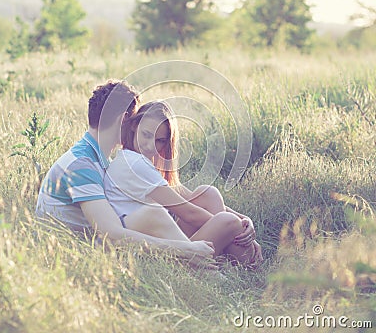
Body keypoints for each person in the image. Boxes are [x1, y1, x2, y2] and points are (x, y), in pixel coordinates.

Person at [36, 79, 216, 267]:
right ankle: (204, 267)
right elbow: (111, 235)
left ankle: (217, 251)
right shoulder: (82, 165)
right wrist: (185, 250)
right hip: (68, 254)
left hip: (80, 244)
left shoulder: (96, 159)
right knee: (153, 214)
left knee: (178, 205)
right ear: (123, 119)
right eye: (133, 120)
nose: (134, 127)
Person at [107, 100, 263, 267]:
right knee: (227, 221)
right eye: (146, 134)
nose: (150, 145)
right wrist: (236, 229)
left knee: (208, 194)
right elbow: (190, 213)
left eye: (159, 140)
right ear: (134, 126)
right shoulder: (136, 164)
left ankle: (227, 259)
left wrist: (245, 220)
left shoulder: (129, 158)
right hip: (158, 253)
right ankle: (245, 264)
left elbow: (185, 196)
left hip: (166, 242)